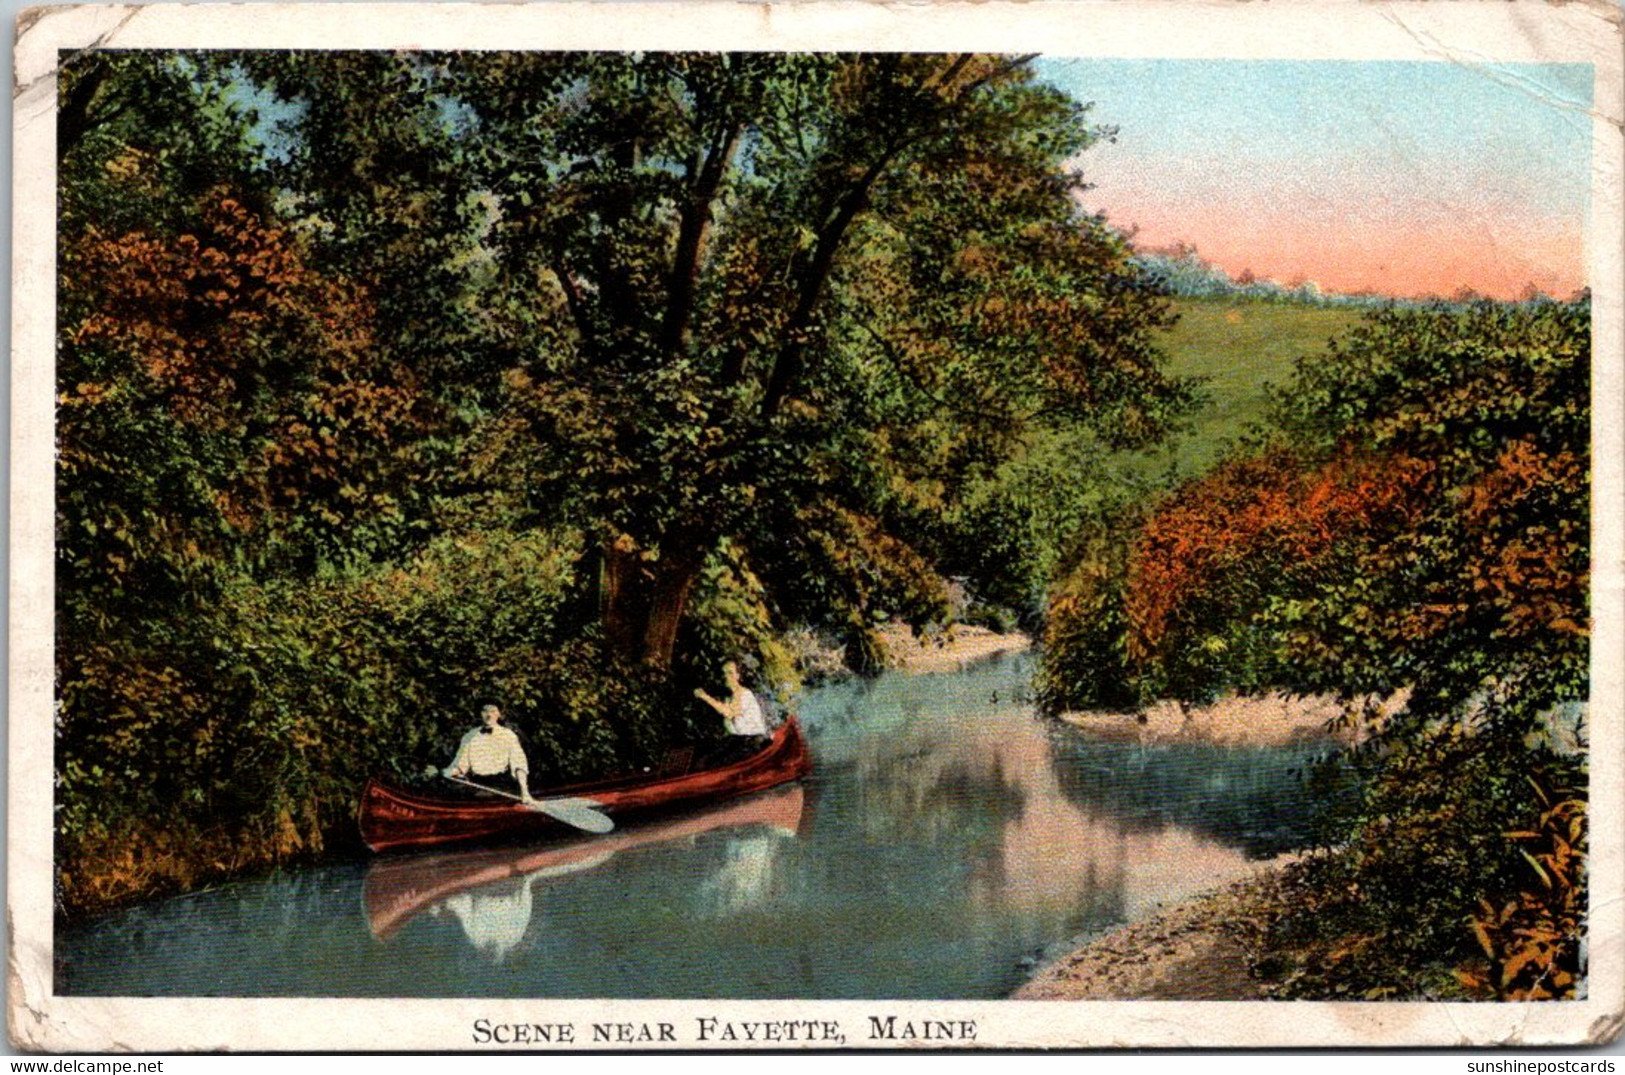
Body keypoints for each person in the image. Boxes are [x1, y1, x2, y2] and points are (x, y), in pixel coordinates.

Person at [445, 703, 534, 802]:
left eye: (493, 711)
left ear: (499, 714)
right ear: (480, 714)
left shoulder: (509, 736)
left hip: (502, 789)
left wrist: (525, 792)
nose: (489, 715)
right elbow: (460, 765)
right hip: (476, 789)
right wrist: (446, 772)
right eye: (485, 711)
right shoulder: (469, 736)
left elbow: (519, 765)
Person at [694, 661, 771, 762]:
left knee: (717, 762)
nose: (726, 676)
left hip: (752, 742)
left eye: (730, 673)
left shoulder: (743, 693)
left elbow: (729, 713)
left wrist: (705, 697)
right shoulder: (729, 697)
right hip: (738, 741)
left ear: (737, 676)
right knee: (706, 757)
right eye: (724, 673)